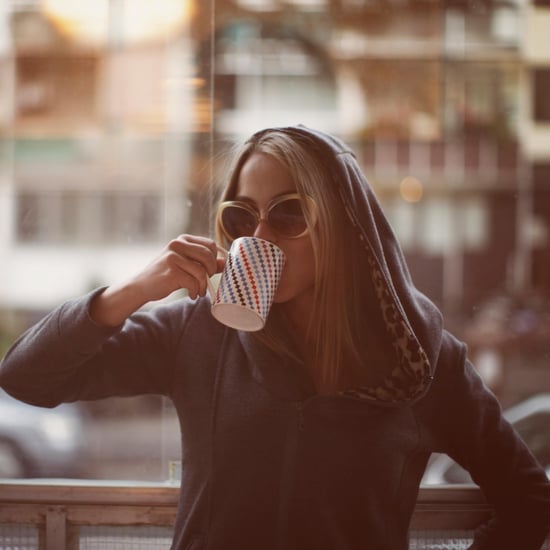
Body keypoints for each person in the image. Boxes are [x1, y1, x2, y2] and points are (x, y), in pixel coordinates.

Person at [0, 125, 549, 550]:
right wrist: (130, 292)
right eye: (242, 217)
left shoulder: (420, 359)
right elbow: (27, 377)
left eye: (290, 214)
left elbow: (528, 497)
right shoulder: (197, 331)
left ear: (344, 225)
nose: (260, 235)